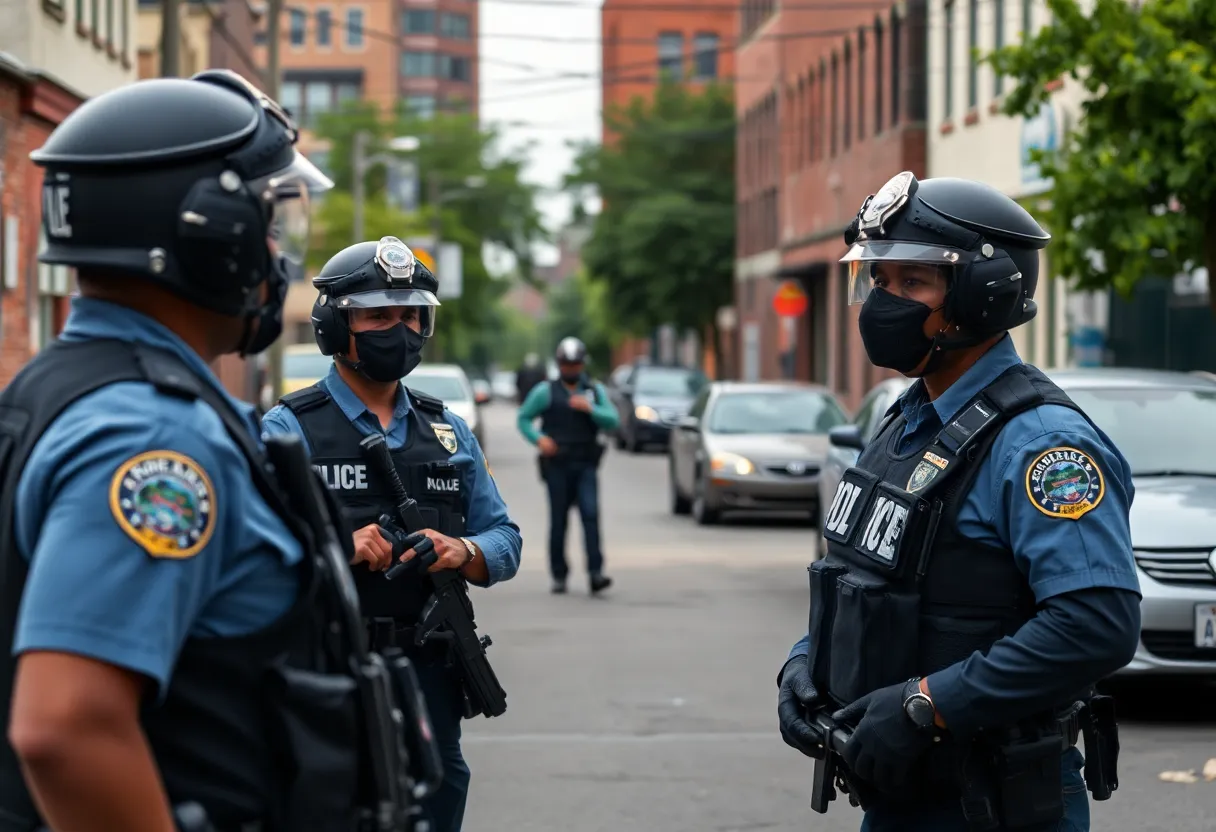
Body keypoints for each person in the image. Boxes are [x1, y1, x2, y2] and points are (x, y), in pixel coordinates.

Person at [0, 70, 419, 832]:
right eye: (267, 226)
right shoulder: (155, 435)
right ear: (212, 234)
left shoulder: (53, 389)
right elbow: (65, 726)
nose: (274, 256)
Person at [776, 171, 1140, 832]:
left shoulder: (1040, 445)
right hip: (899, 791)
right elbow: (868, 576)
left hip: (994, 800)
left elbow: (1096, 622)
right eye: (880, 282)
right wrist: (805, 664)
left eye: (912, 282)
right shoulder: (908, 421)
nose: (884, 302)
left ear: (980, 294)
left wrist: (927, 704)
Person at [261, 236, 522, 832]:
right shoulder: (287, 429)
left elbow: (505, 537)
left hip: (429, 665)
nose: (398, 329)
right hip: (329, 663)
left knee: (440, 787)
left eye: (412, 315)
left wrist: (466, 551)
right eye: (379, 315)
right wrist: (335, 548)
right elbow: (249, 557)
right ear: (335, 325)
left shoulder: (447, 430)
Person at [516, 337, 619, 595]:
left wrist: (591, 408)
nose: (571, 368)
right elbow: (524, 418)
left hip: (585, 464)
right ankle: (559, 574)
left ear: (582, 364)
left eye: (575, 364)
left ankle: (596, 573)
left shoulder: (594, 391)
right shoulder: (545, 391)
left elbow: (613, 420)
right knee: (559, 520)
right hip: (557, 465)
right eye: (566, 363)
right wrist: (539, 439)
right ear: (559, 364)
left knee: (590, 515)